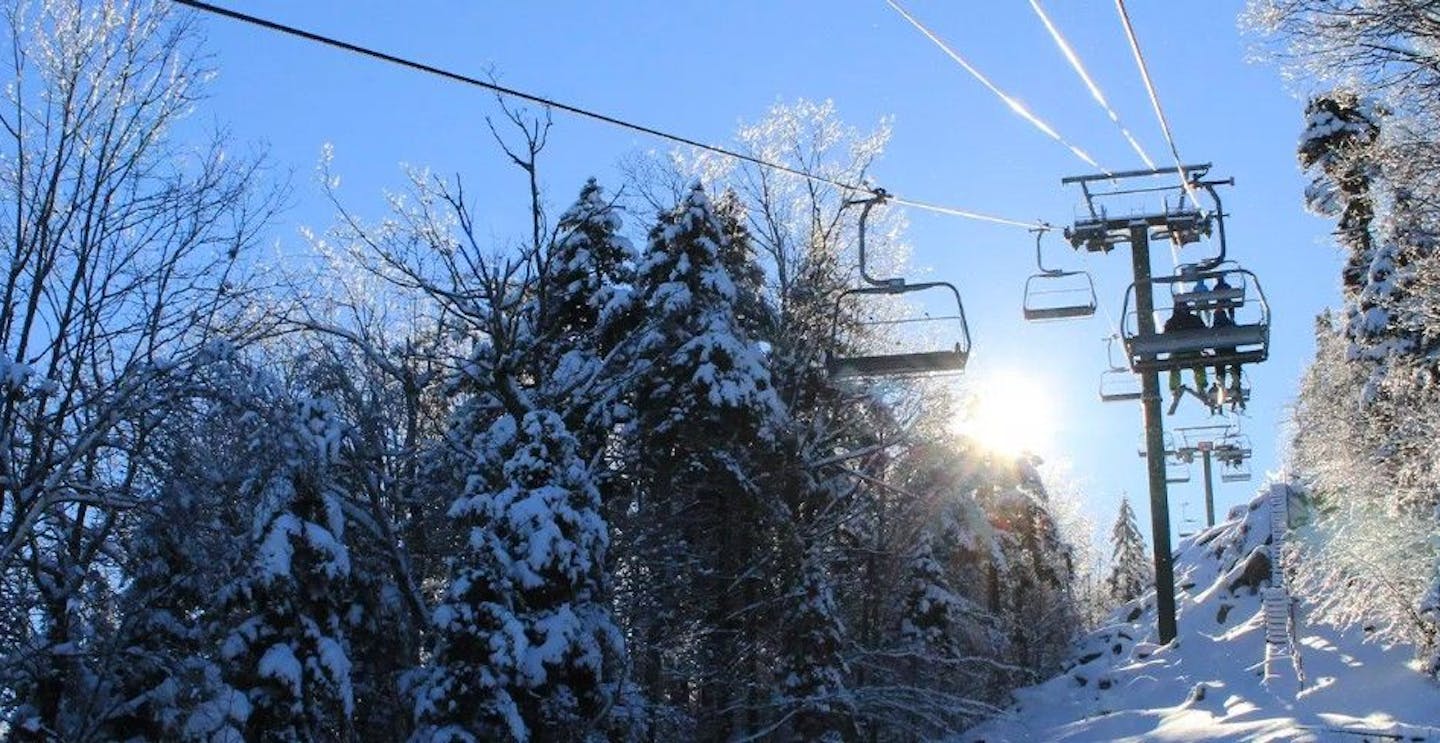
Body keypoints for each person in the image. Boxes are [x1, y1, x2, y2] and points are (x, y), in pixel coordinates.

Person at [1163, 301, 1208, 411]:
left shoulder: (1171, 322)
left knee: (1174, 366)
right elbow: (1205, 333)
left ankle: (1175, 389)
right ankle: (1201, 386)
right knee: (1197, 364)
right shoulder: (1194, 320)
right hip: (1191, 351)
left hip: (1179, 352)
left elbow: (1165, 339)